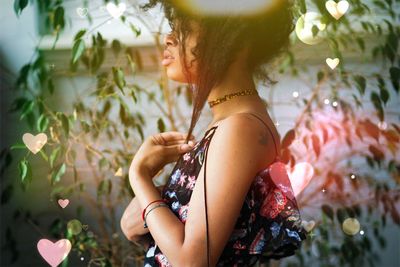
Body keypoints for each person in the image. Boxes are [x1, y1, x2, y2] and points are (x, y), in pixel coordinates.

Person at [121, 0, 307, 266]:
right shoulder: (228, 123)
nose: (169, 38)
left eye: (186, 27)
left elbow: (191, 261)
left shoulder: (240, 128)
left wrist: (138, 176)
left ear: (234, 39)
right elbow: (131, 225)